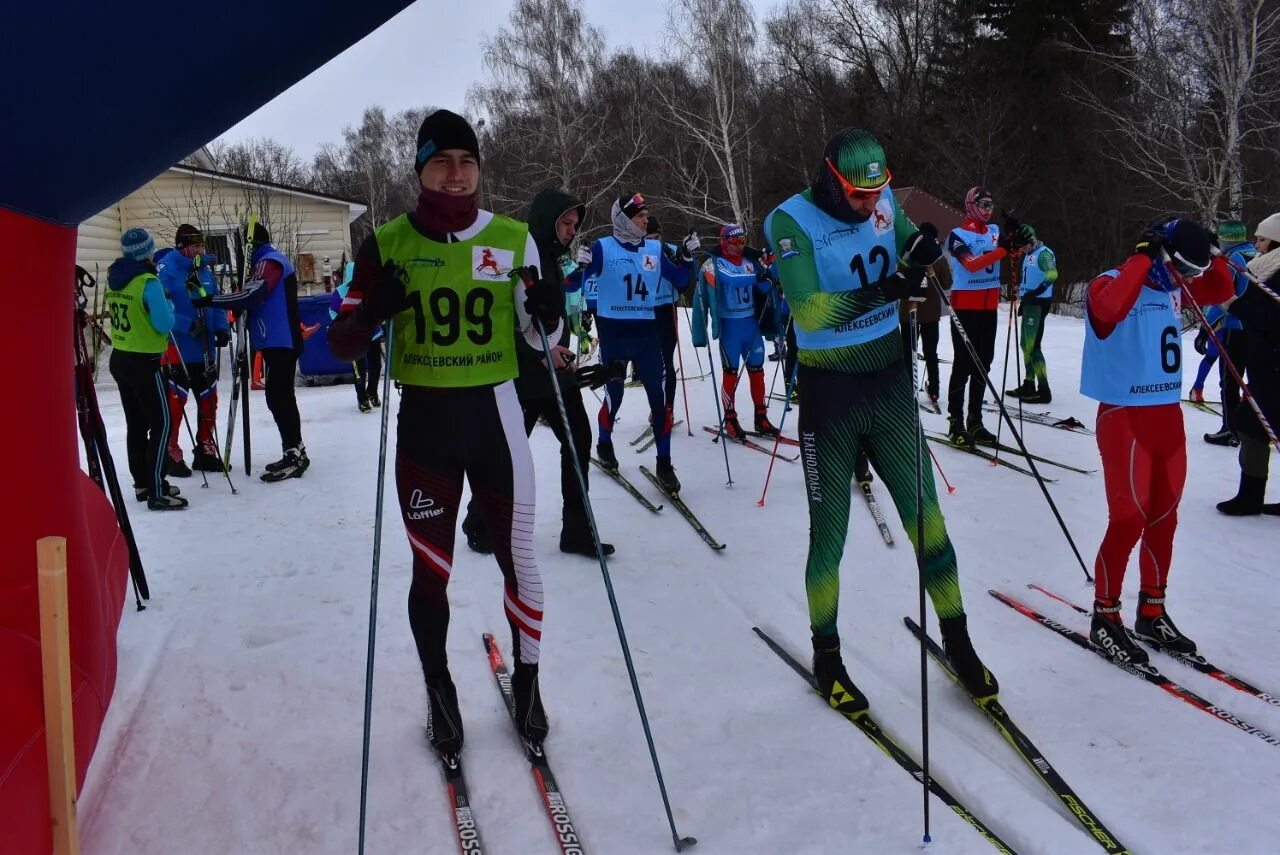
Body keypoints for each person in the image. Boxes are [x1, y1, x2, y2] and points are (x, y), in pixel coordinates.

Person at [328, 109, 563, 755]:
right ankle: (438, 688)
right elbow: (342, 341)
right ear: (421, 169)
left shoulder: (515, 238)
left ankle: (531, 682)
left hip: (496, 419)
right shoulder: (387, 242)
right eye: (442, 162)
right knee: (431, 572)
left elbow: (546, 336)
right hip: (426, 424)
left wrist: (549, 311)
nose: (457, 175)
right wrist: (374, 310)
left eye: (467, 162)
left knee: (520, 559)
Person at [763, 127, 999, 710]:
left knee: (930, 524)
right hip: (831, 396)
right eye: (858, 196)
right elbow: (811, 312)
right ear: (830, 180)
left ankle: (960, 642)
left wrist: (921, 253)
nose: (871, 205)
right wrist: (889, 286)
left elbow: (905, 255)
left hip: (890, 387)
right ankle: (828, 658)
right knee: (830, 536)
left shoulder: (885, 201)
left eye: (878, 194)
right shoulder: (789, 221)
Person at [1080, 218, 1236, 664]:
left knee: (1164, 516)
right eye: (1183, 268)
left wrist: (1215, 253)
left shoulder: (1176, 286)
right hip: (1124, 415)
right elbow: (1107, 314)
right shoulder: (1110, 282)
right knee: (1128, 518)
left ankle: (1152, 610)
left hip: (1167, 415)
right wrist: (1142, 258)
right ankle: (1105, 616)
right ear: (1161, 253)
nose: (1188, 280)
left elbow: (1224, 289)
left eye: (1192, 272)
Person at [461, 186, 615, 558]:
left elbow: (550, 319)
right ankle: (478, 521)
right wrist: (538, 357)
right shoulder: (519, 255)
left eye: (574, 224)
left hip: (554, 376)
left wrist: (560, 352)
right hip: (523, 378)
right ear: (547, 219)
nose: (570, 230)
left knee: (578, 440)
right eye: (565, 222)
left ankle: (576, 530)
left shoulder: (553, 259)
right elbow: (500, 322)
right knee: (507, 455)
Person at [576, 193, 698, 494]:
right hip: (615, 337)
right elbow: (573, 284)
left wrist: (686, 257)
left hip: (646, 336)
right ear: (625, 220)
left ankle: (664, 462)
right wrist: (580, 267)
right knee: (614, 397)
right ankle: (604, 444)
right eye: (640, 216)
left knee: (658, 401)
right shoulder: (603, 248)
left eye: (646, 215)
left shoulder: (655, 249)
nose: (646, 220)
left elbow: (681, 280)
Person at [197, 222, 307, 481]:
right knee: (279, 397)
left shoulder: (270, 262)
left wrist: (210, 300)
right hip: (275, 339)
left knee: (279, 398)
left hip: (282, 340)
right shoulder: (264, 261)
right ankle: (294, 449)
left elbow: (251, 296)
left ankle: (295, 453)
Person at [106, 228, 187, 510]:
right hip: (144, 362)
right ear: (147, 252)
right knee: (161, 423)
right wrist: (169, 304)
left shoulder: (115, 278)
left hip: (121, 357)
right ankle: (156, 489)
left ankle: (143, 482)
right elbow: (164, 323)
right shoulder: (148, 282)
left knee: (137, 424)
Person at [944, 187, 1032, 446]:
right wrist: (1004, 250)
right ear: (971, 205)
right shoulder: (957, 235)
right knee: (963, 364)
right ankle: (955, 423)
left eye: (991, 205)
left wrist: (1018, 238)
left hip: (988, 308)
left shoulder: (994, 232)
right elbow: (971, 264)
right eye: (982, 204)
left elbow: (1014, 252)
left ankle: (975, 420)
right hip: (964, 308)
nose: (987, 209)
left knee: (984, 363)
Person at [1216, 212, 1280, 516]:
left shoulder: (1276, 275)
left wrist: (1235, 305)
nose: (1256, 244)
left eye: (1262, 239)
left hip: (1274, 369)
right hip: (1267, 365)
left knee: (1252, 425)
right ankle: (1250, 493)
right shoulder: (1266, 272)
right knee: (1253, 425)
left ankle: (1250, 495)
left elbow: (1268, 316)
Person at [691, 223, 780, 439]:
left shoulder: (750, 261)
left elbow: (763, 287)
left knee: (757, 372)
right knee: (730, 374)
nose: (740, 246)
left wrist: (770, 272)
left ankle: (761, 417)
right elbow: (732, 280)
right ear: (725, 242)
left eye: (743, 241)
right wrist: (758, 276)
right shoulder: (713, 264)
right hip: (730, 327)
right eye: (736, 241)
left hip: (750, 325)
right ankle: (730, 418)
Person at [155, 224, 231, 474]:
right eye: (197, 246)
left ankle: (206, 449)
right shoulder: (166, 270)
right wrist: (188, 325)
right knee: (176, 404)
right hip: (178, 348)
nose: (202, 250)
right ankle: (170, 451)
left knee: (209, 400)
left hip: (205, 348)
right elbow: (160, 310)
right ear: (183, 247)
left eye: (203, 245)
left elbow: (215, 301)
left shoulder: (204, 270)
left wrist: (221, 327)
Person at [1203, 220, 1256, 446]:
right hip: (1259, 329)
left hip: (1236, 328)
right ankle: (1257, 427)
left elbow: (1222, 296)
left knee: (1230, 381)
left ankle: (1230, 429)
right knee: (1257, 381)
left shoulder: (1232, 260)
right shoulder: (1257, 254)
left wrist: (1206, 327)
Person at [1004, 226, 1057, 404]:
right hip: (1030, 304)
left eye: (1024, 245)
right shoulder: (1029, 253)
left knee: (1032, 347)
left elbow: (1052, 274)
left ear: (1032, 240)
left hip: (1038, 304)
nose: (1023, 249)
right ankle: (1028, 383)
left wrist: (1036, 292)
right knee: (1025, 345)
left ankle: (1043, 390)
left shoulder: (1044, 254)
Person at [328, 261, 384, 413]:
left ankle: (372, 392)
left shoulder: (370, 288)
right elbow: (333, 312)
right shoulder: (341, 292)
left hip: (372, 333)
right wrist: (344, 325)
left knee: (376, 366)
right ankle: (362, 398)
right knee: (358, 369)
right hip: (353, 336)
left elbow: (380, 308)